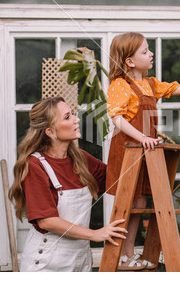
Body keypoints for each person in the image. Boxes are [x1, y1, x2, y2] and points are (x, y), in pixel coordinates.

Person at [106, 32, 180, 270]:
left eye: (149, 49)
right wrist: (142, 137)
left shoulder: (150, 84)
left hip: (146, 149)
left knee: (140, 203)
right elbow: (117, 119)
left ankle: (129, 253)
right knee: (128, 202)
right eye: (145, 51)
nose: (151, 53)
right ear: (129, 61)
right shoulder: (120, 85)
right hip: (128, 149)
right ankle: (121, 255)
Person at [9, 97, 127, 272]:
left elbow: (118, 180)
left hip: (80, 262)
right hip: (46, 266)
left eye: (72, 114)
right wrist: (95, 234)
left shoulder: (80, 158)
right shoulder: (34, 165)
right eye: (67, 117)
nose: (76, 119)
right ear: (50, 131)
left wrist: (124, 134)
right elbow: (47, 221)